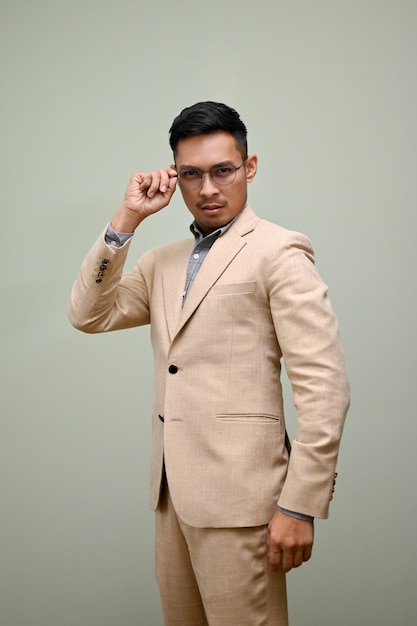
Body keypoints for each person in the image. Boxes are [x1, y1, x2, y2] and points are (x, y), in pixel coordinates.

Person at [68, 101, 350, 626]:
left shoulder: (279, 251)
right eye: (192, 175)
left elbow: (324, 385)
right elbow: (88, 314)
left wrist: (300, 503)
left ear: (250, 166)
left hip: (245, 502)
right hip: (171, 496)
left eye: (223, 170)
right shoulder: (161, 262)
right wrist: (127, 217)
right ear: (175, 176)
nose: (208, 189)